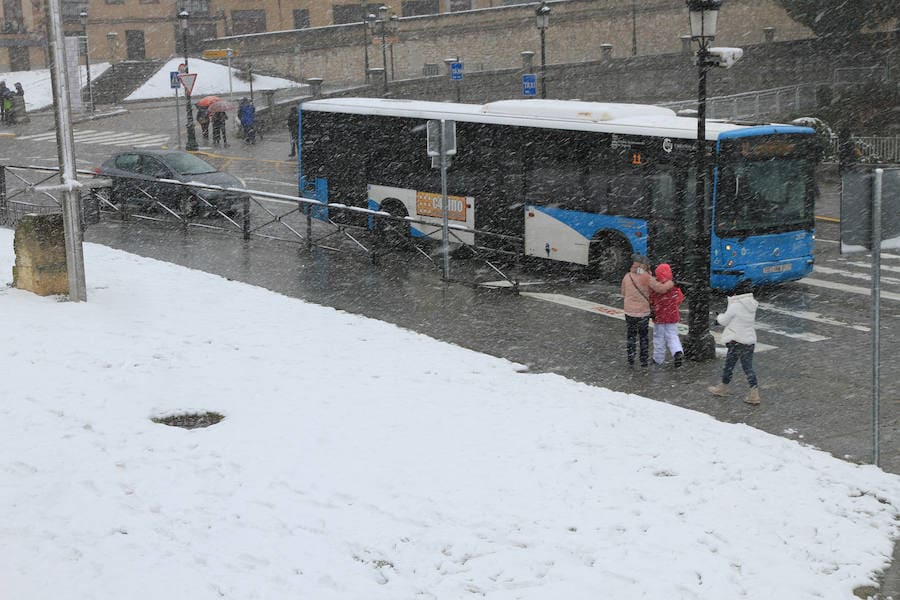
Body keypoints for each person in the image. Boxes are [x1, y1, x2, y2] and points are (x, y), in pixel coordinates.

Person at [708, 281, 760, 405]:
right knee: (748, 368)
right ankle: (754, 393)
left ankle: (723, 388)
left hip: (736, 340)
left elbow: (725, 320)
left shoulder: (736, 306)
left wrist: (718, 317)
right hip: (749, 341)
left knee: (729, 366)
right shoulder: (751, 305)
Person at [621, 254, 673, 368]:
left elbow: (623, 293)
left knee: (631, 336)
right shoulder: (646, 277)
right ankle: (643, 360)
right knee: (643, 337)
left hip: (629, 312)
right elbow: (660, 288)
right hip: (643, 313)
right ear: (645, 266)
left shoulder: (627, 276)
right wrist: (670, 283)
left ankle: (631, 358)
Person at [649, 263, 685, 367]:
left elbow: (651, 299)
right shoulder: (674, 287)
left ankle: (658, 359)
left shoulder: (655, 287)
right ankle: (677, 352)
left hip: (659, 316)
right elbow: (680, 298)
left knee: (659, 338)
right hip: (672, 316)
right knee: (673, 336)